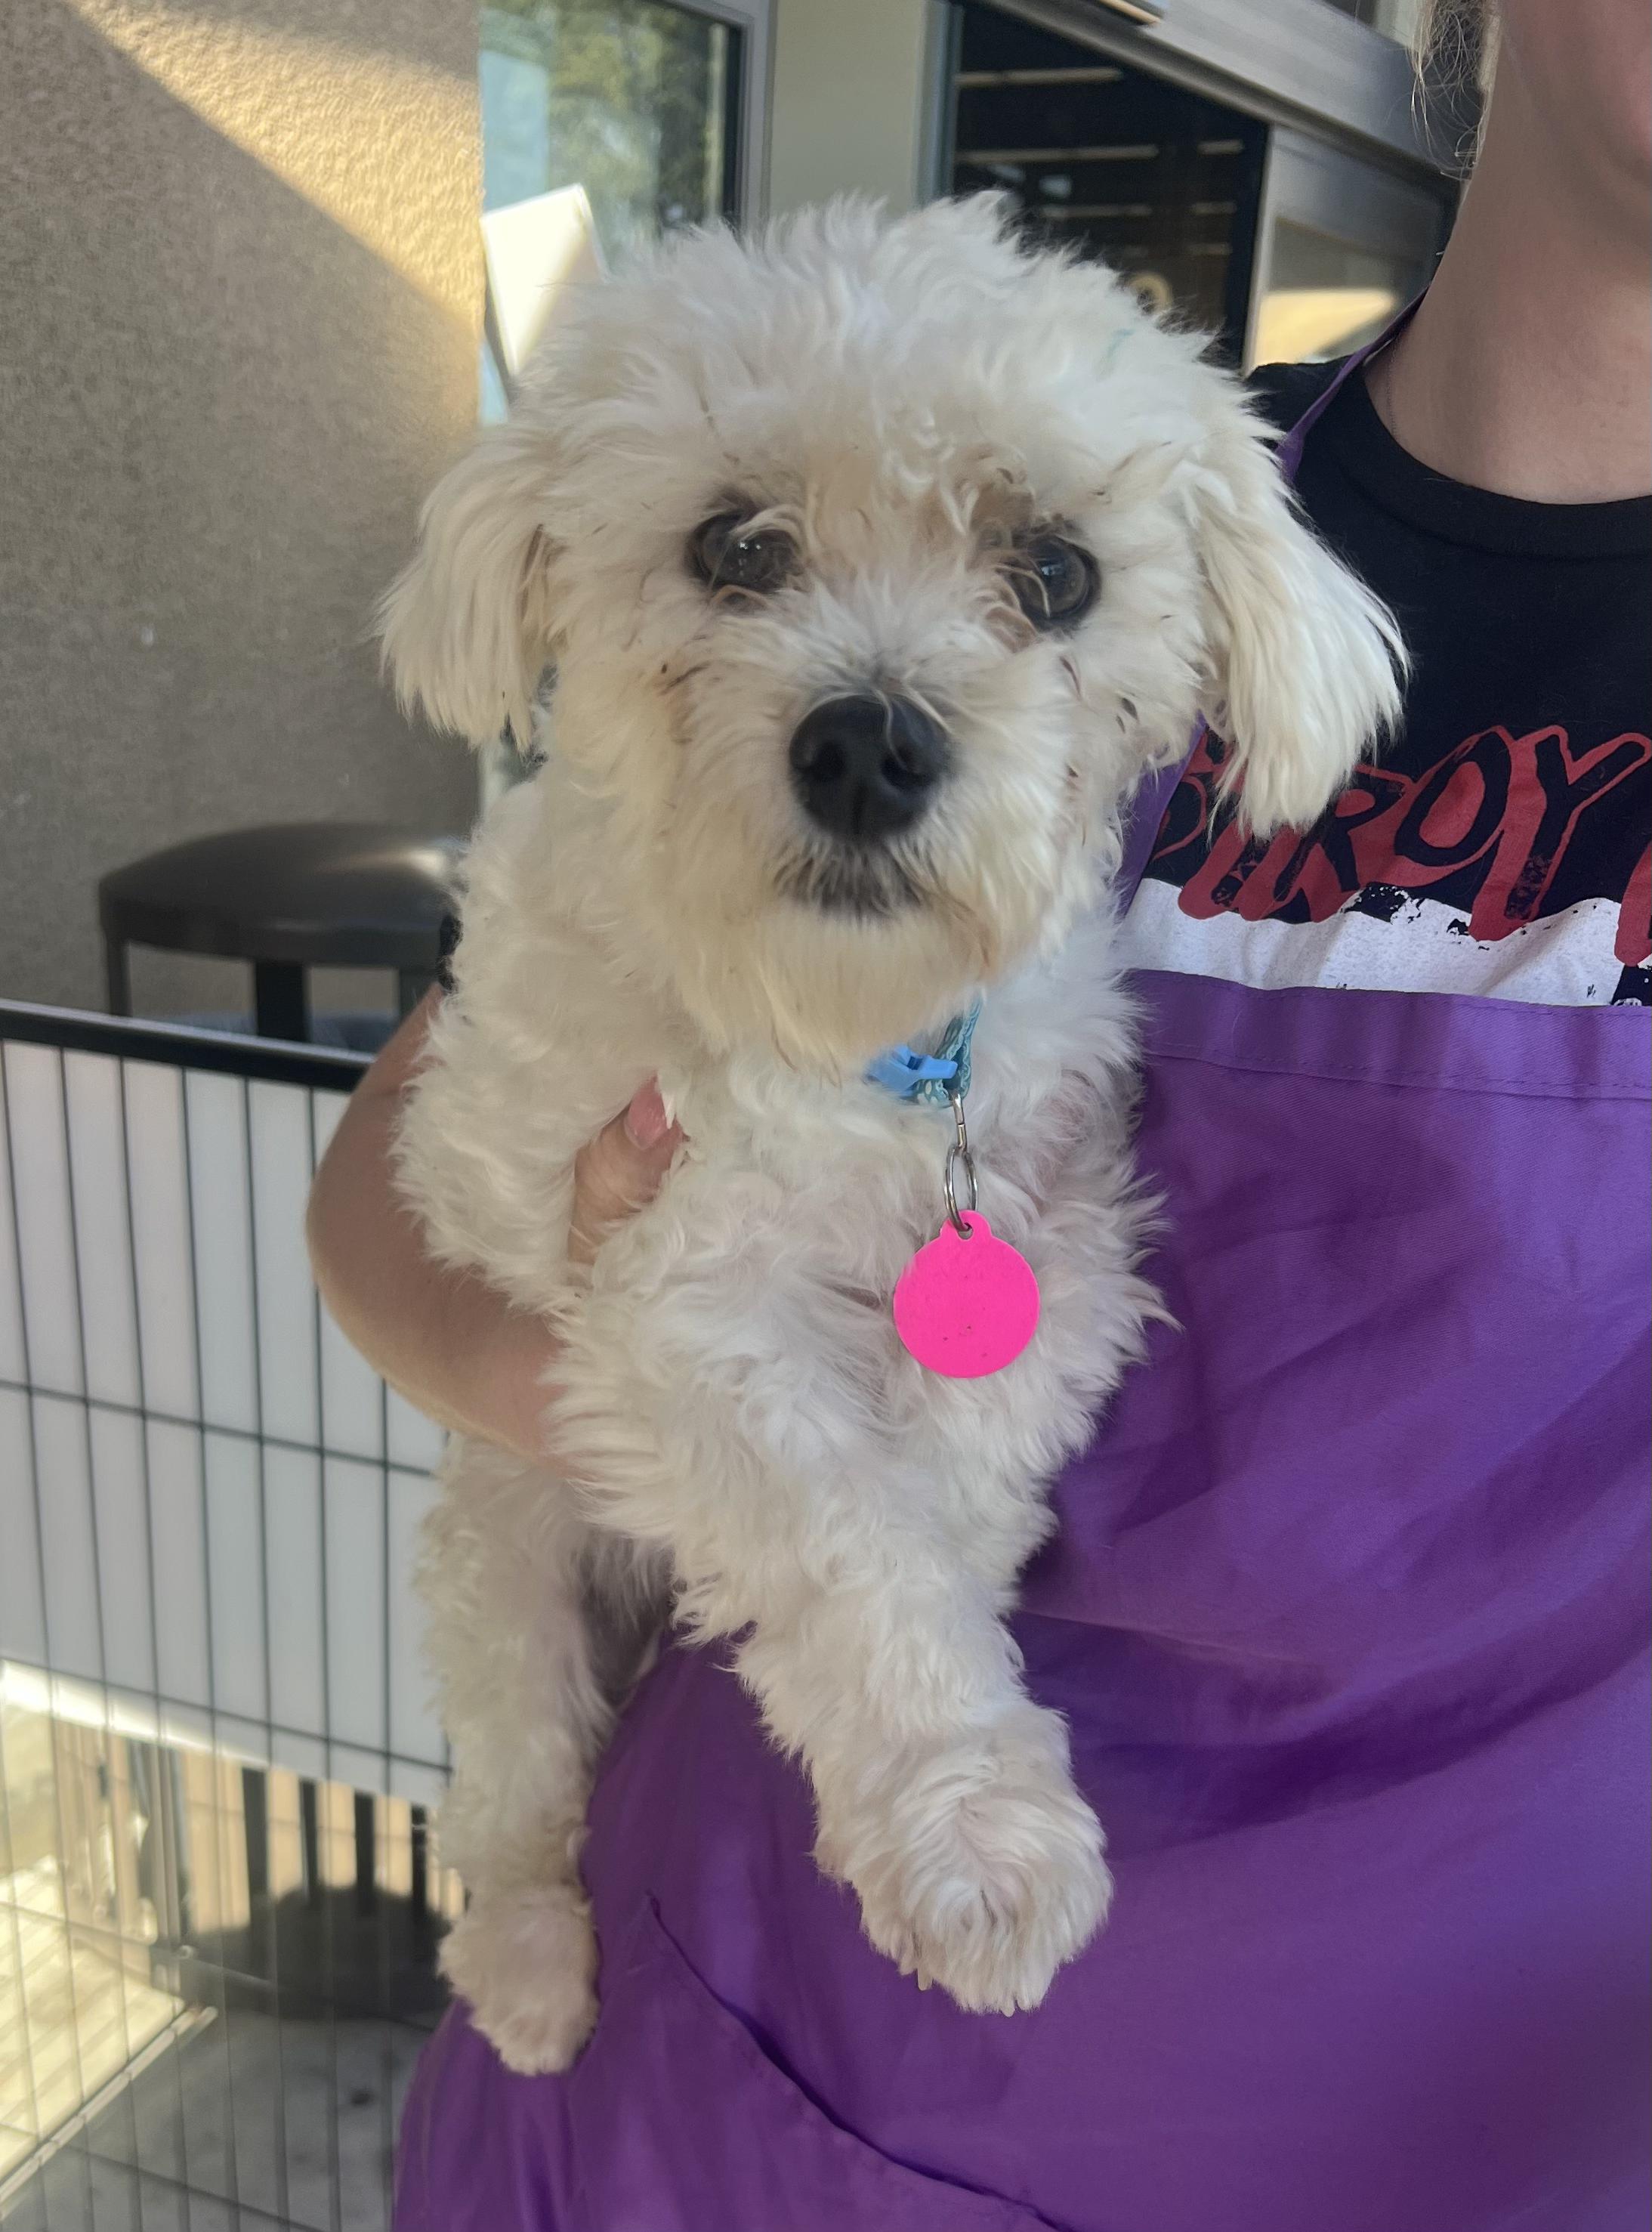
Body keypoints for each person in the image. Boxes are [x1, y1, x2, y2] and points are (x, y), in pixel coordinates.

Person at [308, 2, 1650, 2224]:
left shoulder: (1172, 535)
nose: (877, 702)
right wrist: (671, 1390)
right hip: (690, 2088)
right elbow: (393, 1198)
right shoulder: (1136, 443)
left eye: (1029, 587)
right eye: (744, 552)